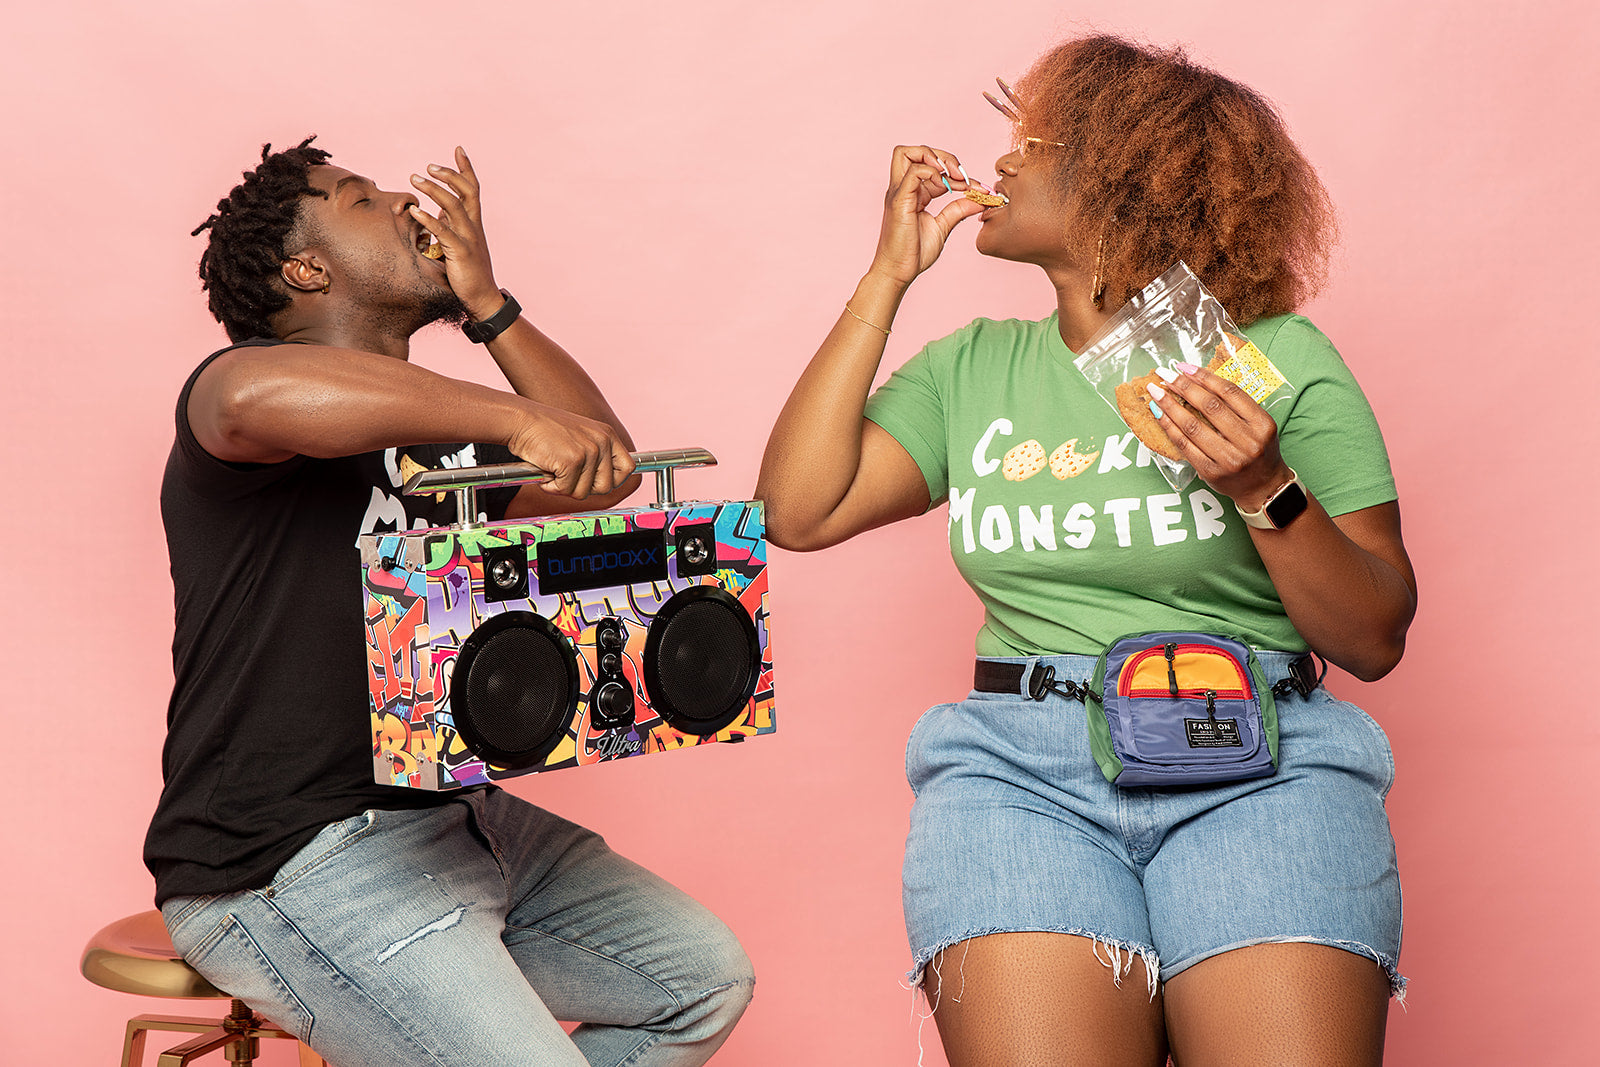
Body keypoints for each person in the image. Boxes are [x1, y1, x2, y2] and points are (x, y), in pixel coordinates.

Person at [757, 35, 1414, 1066]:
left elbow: (1373, 633)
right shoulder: (968, 368)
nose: (1003, 163)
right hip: (1021, 774)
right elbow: (797, 510)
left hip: (1263, 764)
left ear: (1128, 177)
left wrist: (1261, 486)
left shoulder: (1276, 358)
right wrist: (886, 278)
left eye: (1037, 143)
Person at [144, 137, 754, 1067]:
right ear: (306, 268)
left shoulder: (439, 444)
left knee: (698, 979)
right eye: (359, 197)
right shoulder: (245, 386)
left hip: (451, 819)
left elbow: (602, 470)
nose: (402, 200)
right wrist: (511, 417)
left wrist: (491, 307)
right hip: (286, 860)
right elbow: (245, 396)